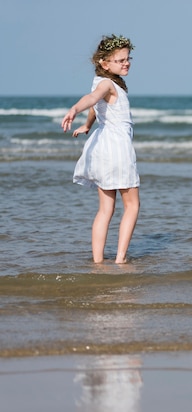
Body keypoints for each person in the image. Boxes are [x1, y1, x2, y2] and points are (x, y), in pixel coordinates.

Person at [61, 34, 140, 264]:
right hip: (117, 148)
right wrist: (75, 109)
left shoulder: (103, 81)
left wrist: (86, 124)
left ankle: (97, 262)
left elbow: (97, 104)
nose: (126, 63)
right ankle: (120, 259)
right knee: (132, 204)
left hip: (102, 147)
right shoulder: (107, 83)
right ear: (105, 63)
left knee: (106, 209)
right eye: (120, 60)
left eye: (128, 58)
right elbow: (92, 98)